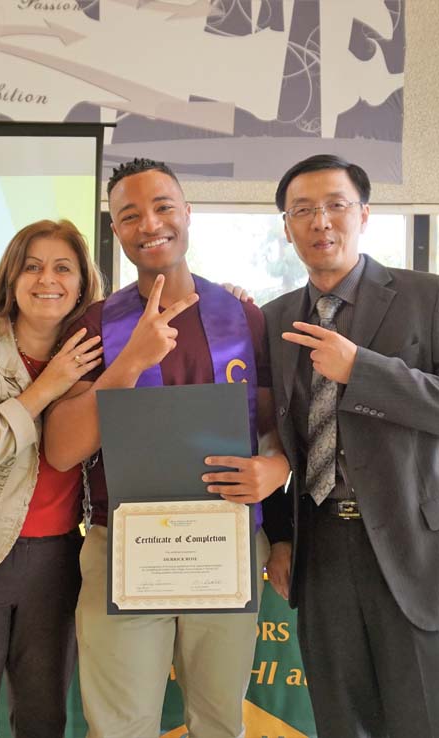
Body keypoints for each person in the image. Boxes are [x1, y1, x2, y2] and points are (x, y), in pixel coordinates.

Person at [44, 157, 290, 738]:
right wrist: (130, 361)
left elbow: (278, 425)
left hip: (225, 539)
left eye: (162, 207)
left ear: (187, 214)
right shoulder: (96, 322)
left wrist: (276, 469)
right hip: (125, 542)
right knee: (123, 726)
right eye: (129, 215)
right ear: (116, 231)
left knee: (217, 721)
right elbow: (60, 449)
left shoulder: (245, 316)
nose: (149, 223)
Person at [262, 153, 439, 738]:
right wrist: (282, 537)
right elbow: (273, 432)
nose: (321, 222)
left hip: (413, 550)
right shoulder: (274, 320)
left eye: (335, 205)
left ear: (364, 214)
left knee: (419, 717)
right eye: (303, 211)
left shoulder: (427, 297)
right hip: (321, 550)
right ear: (287, 227)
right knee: (341, 719)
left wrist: (361, 368)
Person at [0, 219, 105, 738]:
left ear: (82, 283)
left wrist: (234, 298)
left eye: (63, 268)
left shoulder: (97, 352)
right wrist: (46, 386)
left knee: (43, 719)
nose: (47, 280)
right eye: (32, 267)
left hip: (60, 561)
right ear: (11, 279)